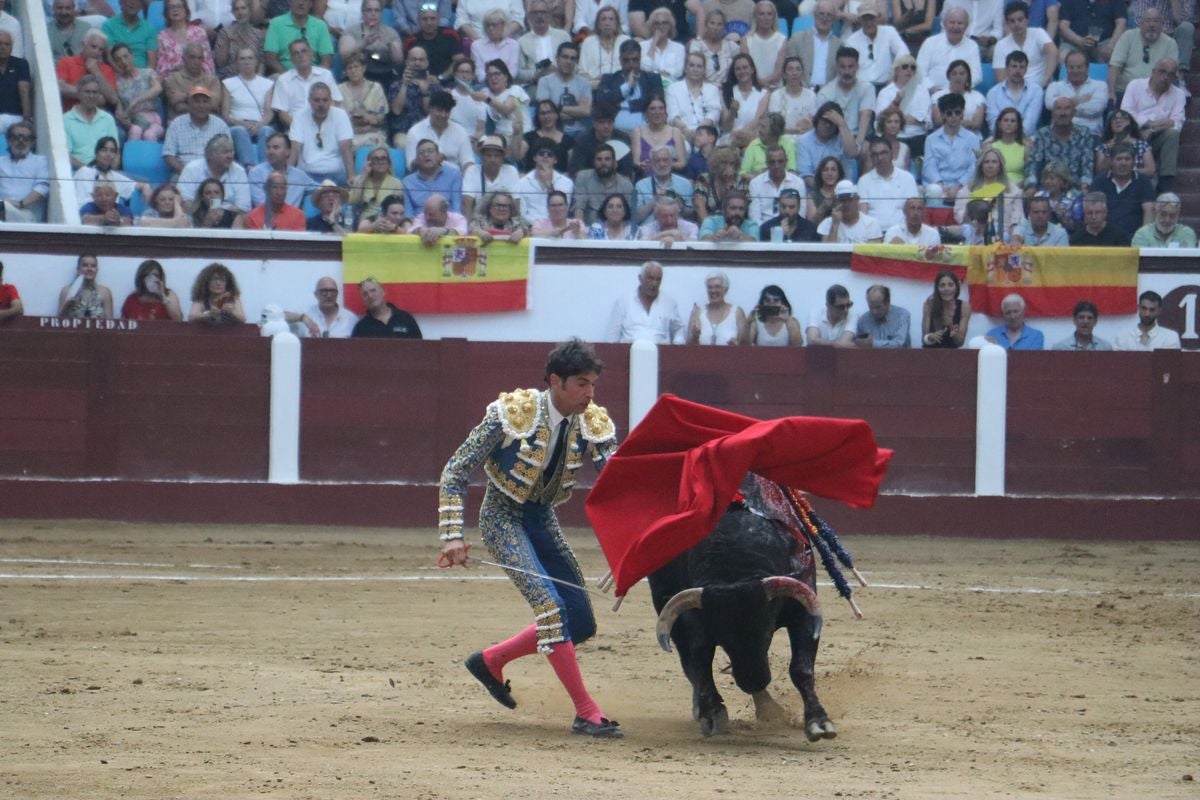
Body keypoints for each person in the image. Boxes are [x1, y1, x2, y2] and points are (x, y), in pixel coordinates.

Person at [438, 338, 621, 738]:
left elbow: (619, 483)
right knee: (551, 609)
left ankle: (490, 661)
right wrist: (452, 535)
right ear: (555, 381)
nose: (590, 394)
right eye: (582, 384)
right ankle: (586, 712)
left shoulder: (591, 422)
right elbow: (455, 470)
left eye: (593, 384)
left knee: (580, 622)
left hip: (542, 520)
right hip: (501, 518)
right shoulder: (511, 413)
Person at [1119, 58, 1184, 193]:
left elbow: (1177, 123)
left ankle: (1165, 184)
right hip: (1134, 135)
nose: (1165, 77)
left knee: (1173, 134)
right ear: (1153, 72)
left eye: (1170, 74)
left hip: (1158, 137)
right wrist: (1149, 123)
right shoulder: (1135, 85)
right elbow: (1126, 113)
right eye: (1162, 72)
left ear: (1174, 78)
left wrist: (1153, 128)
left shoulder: (1179, 94)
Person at [1023, 97, 1094, 193]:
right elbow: (1033, 164)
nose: (1062, 113)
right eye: (1058, 108)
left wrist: (1084, 186)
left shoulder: (1084, 134)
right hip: (1047, 189)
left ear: (1074, 113)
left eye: (1067, 108)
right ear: (1052, 113)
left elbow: (1087, 164)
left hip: (1075, 190)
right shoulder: (1042, 134)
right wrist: (1032, 186)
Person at [290, 82, 356, 185]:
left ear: (330, 101)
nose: (321, 104)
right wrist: (286, 175)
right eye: (317, 100)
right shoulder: (299, 116)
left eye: (325, 100)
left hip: (335, 175)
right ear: (309, 101)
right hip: (307, 175)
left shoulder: (341, 115)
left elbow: (346, 148)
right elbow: (295, 149)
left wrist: (351, 176)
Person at [922, 94, 982, 205]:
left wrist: (958, 186)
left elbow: (973, 167)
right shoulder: (931, 139)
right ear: (942, 115)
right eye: (949, 113)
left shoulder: (973, 139)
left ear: (962, 113)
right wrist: (941, 185)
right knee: (934, 190)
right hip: (939, 186)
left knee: (967, 192)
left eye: (957, 112)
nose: (953, 117)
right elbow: (929, 167)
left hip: (964, 185)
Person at [1107, 7, 1176, 102]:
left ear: (1162, 24)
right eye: (1148, 21)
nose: (1152, 25)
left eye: (1156, 21)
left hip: (1156, 93)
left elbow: (1171, 73)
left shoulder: (1170, 43)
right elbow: (1114, 65)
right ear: (1141, 23)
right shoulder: (1128, 36)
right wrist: (1111, 92)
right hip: (1125, 91)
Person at [220, 47, 276, 166]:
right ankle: (249, 166)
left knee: (267, 130)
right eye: (242, 59)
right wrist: (242, 124)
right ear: (237, 62)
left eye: (250, 58)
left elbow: (269, 112)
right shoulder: (228, 83)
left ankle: (265, 167)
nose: (247, 62)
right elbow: (225, 114)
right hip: (237, 124)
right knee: (239, 131)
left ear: (256, 61)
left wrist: (259, 125)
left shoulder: (267, 84)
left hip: (259, 124)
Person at [606, 260, 685, 344]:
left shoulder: (669, 303)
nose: (654, 284)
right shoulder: (623, 302)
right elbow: (611, 338)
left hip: (660, 350)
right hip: (630, 350)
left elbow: (679, 329)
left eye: (658, 279)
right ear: (640, 279)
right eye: (650, 278)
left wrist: (677, 343)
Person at [596, 39, 665, 134]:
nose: (631, 64)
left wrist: (623, 104)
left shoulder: (652, 79)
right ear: (620, 60)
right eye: (626, 60)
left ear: (640, 58)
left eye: (635, 60)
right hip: (616, 133)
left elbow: (654, 103)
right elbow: (601, 101)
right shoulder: (609, 79)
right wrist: (627, 86)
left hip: (648, 132)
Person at [954, 147, 1025, 240]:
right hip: (975, 231)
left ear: (1000, 166)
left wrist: (1015, 238)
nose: (990, 166)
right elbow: (960, 216)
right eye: (986, 162)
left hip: (1003, 234)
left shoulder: (1012, 190)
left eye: (994, 162)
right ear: (981, 165)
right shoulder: (970, 188)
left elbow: (1018, 220)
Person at [272, 39, 343, 130]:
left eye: (304, 51)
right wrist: (298, 130)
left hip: (325, 127)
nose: (301, 55)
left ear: (311, 54)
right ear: (291, 59)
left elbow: (335, 103)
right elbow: (283, 113)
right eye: (296, 53)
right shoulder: (283, 80)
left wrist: (324, 127)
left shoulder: (325, 75)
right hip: (295, 129)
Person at [162, 85, 232, 176]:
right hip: (183, 172)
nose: (201, 106)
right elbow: (169, 155)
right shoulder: (176, 124)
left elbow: (228, 154)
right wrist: (187, 173)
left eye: (205, 102)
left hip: (214, 174)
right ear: (188, 104)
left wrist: (213, 174)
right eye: (197, 101)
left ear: (210, 105)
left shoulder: (220, 125)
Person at [1091, 145, 1155, 238]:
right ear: (1111, 161)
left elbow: (1149, 211)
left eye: (1127, 159)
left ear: (1134, 161)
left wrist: (1144, 237)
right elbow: (1092, 210)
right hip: (1104, 237)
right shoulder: (1099, 181)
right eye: (1119, 159)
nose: (1123, 163)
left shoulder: (1143, 181)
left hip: (1134, 237)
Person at [856, 136, 919, 231]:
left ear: (892, 154)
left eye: (883, 153)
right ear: (871, 158)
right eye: (875, 155)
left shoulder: (907, 178)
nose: (880, 158)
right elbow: (863, 214)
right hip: (874, 234)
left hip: (902, 232)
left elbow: (913, 210)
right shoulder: (863, 181)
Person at [818, 46, 875, 149]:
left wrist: (857, 145)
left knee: (866, 148)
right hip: (834, 139)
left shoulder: (867, 88)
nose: (847, 72)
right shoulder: (825, 93)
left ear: (857, 67)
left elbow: (865, 115)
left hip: (860, 138)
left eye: (851, 67)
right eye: (842, 67)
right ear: (837, 67)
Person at [916, 6, 983, 93]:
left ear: (966, 26)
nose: (955, 26)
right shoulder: (930, 43)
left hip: (961, 93)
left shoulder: (972, 46)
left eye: (960, 23)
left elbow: (976, 75)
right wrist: (931, 89)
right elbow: (919, 72)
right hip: (931, 92)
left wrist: (958, 88)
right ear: (944, 24)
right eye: (952, 22)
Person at [991, 1, 1057, 88]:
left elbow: (1053, 52)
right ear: (1007, 23)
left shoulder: (1038, 33)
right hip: (1014, 91)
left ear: (1027, 20)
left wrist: (1046, 78)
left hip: (1040, 88)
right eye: (1012, 21)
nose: (1016, 24)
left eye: (1020, 20)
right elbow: (1000, 79)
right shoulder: (1001, 45)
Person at [1044, 50, 1108, 137]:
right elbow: (1049, 104)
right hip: (1060, 134)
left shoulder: (1100, 86)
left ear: (1087, 68)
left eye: (1079, 67)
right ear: (1066, 68)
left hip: (1090, 134)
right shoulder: (1054, 86)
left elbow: (1096, 108)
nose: (1075, 70)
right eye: (1071, 67)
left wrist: (1062, 107)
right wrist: (1079, 100)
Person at [536, 41, 593, 139]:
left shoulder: (584, 83)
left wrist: (558, 108)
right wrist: (577, 112)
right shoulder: (545, 82)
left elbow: (586, 111)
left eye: (572, 58)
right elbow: (546, 114)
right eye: (565, 57)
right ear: (557, 58)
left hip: (581, 133)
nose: (568, 62)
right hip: (554, 133)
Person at [844, 1, 908, 87]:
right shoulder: (851, 41)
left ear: (878, 18)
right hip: (861, 87)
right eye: (865, 19)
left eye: (872, 18)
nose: (869, 23)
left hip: (886, 84)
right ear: (860, 20)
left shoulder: (889, 32)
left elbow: (904, 53)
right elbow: (848, 67)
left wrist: (894, 74)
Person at [796, 102, 857, 191]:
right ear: (817, 120)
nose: (828, 125)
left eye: (832, 123)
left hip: (842, 190)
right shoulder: (804, 141)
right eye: (825, 121)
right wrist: (826, 191)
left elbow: (852, 154)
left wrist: (842, 124)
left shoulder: (843, 137)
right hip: (815, 191)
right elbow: (806, 176)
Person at [111, 43, 164, 143]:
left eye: (126, 56)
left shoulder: (147, 73)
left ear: (132, 56)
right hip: (134, 120)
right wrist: (122, 117)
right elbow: (119, 106)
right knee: (135, 130)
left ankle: (149, 153)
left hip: (152, 119)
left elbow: (158, 88)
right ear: (115, 63)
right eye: (118, 59)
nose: (123, 61)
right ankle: (131, 153)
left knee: (149, 135)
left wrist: (137, 100)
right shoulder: (118, 82)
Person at [65, 75, 121, 170]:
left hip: (106, 171)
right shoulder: (67, 119)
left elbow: (116, 153)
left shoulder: (107, 118)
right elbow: (67, 155)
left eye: (95, 92)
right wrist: (90, 172)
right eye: (87, 92)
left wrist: (110, 172)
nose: (91, 96)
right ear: (78, 94)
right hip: (80, 171)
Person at [264, 0, 334, 74]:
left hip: (314, 74)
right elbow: (270, 59)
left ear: (310, 4)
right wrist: (287, 76)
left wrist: (315, 76)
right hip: (283, 73)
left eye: (305, 0)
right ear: (289, 2)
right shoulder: (276, 23)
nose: (301, 3)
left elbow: (326, 61)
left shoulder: (320, 25)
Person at [572, 144, 634, 226]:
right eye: (599, 159)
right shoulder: (583, 177)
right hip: (588, 229)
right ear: (593, 163)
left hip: (617, 230)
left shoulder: (626, 184)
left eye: (607, 159)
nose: (603, 163)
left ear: (614, 163)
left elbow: (629, 216)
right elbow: (579, 208)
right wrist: (580, 229)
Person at [249, 133, 316, 210]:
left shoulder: (299, 176)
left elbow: (320, 188)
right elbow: (261, 205)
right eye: (268, 147)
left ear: (287, 152)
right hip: (266, 216)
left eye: (275, 148)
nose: (270, 151)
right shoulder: (256, 173)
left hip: (293, 216)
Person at [515, 139, 574, 225]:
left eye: (550, 154)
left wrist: (550, 187)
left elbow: (562, 211)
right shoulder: (522, 183)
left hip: (557, 227)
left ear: (555, 160)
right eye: (541, 153)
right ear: (534, 157)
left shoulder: (567, 183)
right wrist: (541, 226)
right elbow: (522, 214)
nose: (545, 156)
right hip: (531, 227)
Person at [0, 122, 50, 222]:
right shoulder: (1, 161)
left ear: (32, 142)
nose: (21, 141)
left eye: (26, 138)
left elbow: (42, 188)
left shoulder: (41, 161)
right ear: (9, 140)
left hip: (27, 213)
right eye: (16, 137)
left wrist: (20, 203)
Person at [668, 52, 723, 143]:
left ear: (704, 70)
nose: (695, 69)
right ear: (685, 68)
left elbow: (714, 113)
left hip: (707, 134)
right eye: (692, 65)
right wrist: (686, 130)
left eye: (699, 66)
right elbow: (673, 115)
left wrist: (700, 132)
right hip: (682, 134)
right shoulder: (673, 89)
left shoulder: (712, 89)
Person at [786, 0, 840, 89]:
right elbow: (789, 68)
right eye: (821, 14)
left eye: (829, 15)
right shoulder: (797, 39)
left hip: (828, 92)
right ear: (814, 15)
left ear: (834, 19)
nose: (824, 18)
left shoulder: (839, 45)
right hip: (801, 90)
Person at [156, 0, 215, 81]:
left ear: (186, 11)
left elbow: (208, 63)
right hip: (174, 81)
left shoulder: (199, 32)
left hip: (198, 79)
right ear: (166, 13)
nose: (175, 10)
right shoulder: (162, 36)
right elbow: (161, 69)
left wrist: (188, 68)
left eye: (179, 6)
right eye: (171, 7)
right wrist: (178, 68)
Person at [635, 144, 694, 222]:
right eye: (657, 161)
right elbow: (637, 218)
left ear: (672, 162)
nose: (662, 164)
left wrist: (681, 206)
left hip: (677, 227)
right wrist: (655, 200)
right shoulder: (641, 185)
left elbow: (691, 215)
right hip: (649, 227)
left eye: (665, 160)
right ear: (651, 163)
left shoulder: (685, 184)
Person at [748, 145, 806, 224]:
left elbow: (801, 214)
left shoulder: (798, 183)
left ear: (786, 162)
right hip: (764, 228)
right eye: (772, 162)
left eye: (780, 161)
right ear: (767, 163)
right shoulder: (755, 183)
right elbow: (754, 217)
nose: (776, 166)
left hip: (792, 227)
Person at [339, 0, 403, 72]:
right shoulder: (351, 31)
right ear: (362, 12)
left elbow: (398, 60)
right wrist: (364, 43)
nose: (373, 14)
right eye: (369, 10)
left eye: (377, 10)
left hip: (385, 73)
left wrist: (390, 44)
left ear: (381, 13)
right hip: (358, 73)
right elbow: (344, 57)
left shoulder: (391, 33)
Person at [402, 3, 463, 79]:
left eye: (433, 18)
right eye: (425, 19)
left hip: (448, 81)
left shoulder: (450, 35)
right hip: (419, 81)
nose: (429, 23)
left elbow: (459, 61)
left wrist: (441, 78)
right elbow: (408, 65)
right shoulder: (411, 41)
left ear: (439, 19)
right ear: (418, 21)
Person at [285, 276, 358, 337]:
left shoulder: (350, 319)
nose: (329, 295)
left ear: (337, 294)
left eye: (332, 291)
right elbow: (279, 316)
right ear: (316, 294)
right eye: (324, 291)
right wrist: (302, 318)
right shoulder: (306, 313)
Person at [687, 270, 747, 345]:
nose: (713, 291)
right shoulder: (698, 312)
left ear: (726, 289)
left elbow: (745, 344)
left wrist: (735, 344)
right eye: (710, 287)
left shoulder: (737, 312)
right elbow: (688, 346)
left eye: (717, 287)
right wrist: (695, 336)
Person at [1095, 109, 1156, 180]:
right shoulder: (1103, 147)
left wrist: (1128, 172)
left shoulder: (1142, 145)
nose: (1118, 121)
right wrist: (1110, 152)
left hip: (1137, 181)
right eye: (1114, 119)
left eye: (1123, 118)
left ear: (1130, 123)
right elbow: (1100, 172)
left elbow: (1150, 170)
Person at [350, 277, 422, 337]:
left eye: (373, 290)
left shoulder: (405, 318)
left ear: (383, 292)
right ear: (363, 301)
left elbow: (419, 346)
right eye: (365, 294)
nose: (370, 296)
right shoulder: (361, 328)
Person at [1058, 0, 1126, 64]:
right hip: (1075, 43)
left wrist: (1111, 45)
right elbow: (1063, 26)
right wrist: (1079, 41)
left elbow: (1121, 23)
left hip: (1105, 43)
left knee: (1116, 55)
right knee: (1063, 56)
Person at [579, 5, 631, 87]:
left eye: (611, 19)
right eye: (603, 19)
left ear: (616, 24)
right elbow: (582, 72)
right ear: (598, 24)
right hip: (594, 85)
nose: (607, 23)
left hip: (620, 86)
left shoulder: (625, 41)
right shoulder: (588, 42)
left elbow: (631, 69)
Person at [1112, 289, 1181, 350]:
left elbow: (1170, 361)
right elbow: (1118, 360)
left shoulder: (1170, 337)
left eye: (1152, 310)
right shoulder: (1123, 336)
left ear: (1159, 311)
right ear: (1138, 308)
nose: (1147, 314)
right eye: (1144, 308)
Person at [930, 60, 986, 134]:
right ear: (948, 76)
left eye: (962, 74)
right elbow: (938, 121)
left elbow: (977, 124)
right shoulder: (937, 96)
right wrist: (966, 123)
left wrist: (950, 121)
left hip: (971, 136)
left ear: (968, 76)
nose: (958, 77)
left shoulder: (978, 97)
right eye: (954, 74)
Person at [213, 0, 266, 79]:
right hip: (229, 77)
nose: (240, 12)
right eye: (236, 9)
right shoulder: (224, 33)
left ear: (250, 11)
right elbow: (220, 63)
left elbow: (262, 61)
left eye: (243, 8)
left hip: (251, 77)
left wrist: (259, 78)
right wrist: (227, 41)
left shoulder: (258, 34)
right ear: (233, 13)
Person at [818, 179, 883, 243]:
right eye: (842, 200)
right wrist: (834, 225)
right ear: (835, 202)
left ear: (857, 200)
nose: (846, 204)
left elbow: (873, 250)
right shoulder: (827, 223)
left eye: (850, 200)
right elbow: (828, 249)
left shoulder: (871, 224)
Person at [522, 98, 577, 171]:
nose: (546, 116)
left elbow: (572, 167)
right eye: (542, 113)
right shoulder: (529, 137)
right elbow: (518, 155)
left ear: (556, 115)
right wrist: (517, 134)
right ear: (538, 117)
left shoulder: (569, 141)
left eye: (549, 112)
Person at [740, 1, 786, 87]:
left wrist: (764, 83)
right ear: (755, 17)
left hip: (775, 88)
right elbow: (746, 69)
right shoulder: (746, 40)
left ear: (774, 17)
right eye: (762, 14)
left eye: (769, 14)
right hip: (752, 88)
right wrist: (759, 83)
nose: (766, 18)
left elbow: (778, 72)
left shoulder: (782, 40)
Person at [921, 269, 972, 348]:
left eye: (950, 285)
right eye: (942, 285)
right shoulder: (929, 304)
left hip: (952, 353)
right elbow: (924, 338)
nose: (946, 289)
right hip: (930, 351)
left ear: (956, 287)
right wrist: (930, 337)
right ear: (937, 288)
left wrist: (953, 332)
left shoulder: (965, 307)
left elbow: (960, 342)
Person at [241, 170, 307, 231]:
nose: (279, 193)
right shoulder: (252, 217)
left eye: (283, 188)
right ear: (265, 189)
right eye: (274, 187)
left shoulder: (298, 216)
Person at [691, 8, 741, 86]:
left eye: (719, 24)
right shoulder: (697, 45)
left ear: (724, 27)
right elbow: (692, 69)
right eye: (712, 23)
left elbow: (743, 61)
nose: (715, 27)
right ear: (706, 25)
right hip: (702, 87)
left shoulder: (731, 46)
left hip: (726, 88)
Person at [103, 0, 158, 71]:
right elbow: (109, 57)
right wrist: (124, 74)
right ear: (120, 2)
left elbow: (151, 63)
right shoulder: (109, 26)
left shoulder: (149, 28)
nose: (132, 2)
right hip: (119, 73)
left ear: (142, 5)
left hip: (143, 73)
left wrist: (145, 75)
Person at [1132, 192, 1198, 249]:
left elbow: (1188, 258)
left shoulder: (1186, 233)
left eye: (1172, 216)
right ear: (1155, 212)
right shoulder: (1142, 234)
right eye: (1163, 214)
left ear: (1178, 215)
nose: (1167, 220)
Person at [472, 9, 520, 85]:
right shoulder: (477, 45)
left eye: (494, 25)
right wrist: (493, 82)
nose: (490, 28)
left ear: (503, 25)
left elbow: (513, 71)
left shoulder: (513, 44)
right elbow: (479, 73)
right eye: (487, 25)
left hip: (508, 85)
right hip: (486, 85)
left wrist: (501, 84)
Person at [58, 254, 114, 319]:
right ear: (78, 269)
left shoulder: (105, 293)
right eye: (85, 265)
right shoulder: (67, 291)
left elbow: (110, 321)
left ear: (97, 270)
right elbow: (58, 321)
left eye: (93, 266)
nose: (89, 269)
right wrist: (66, 306)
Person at [0, 32, 29, 135]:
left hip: (15, 117)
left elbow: (24, 90)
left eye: (7, 44)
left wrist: (27, 119)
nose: (3, 47)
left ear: (11, 47)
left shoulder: (21, 64)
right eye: (0, 43)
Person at [806, 154, 845, 223]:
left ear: (839, 173)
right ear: (820, 174)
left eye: (833, 170)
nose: (829, 173)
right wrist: (823, 207)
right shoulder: (812, 195)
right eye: (825, 170)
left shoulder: (845, 193)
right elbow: (811, 223)